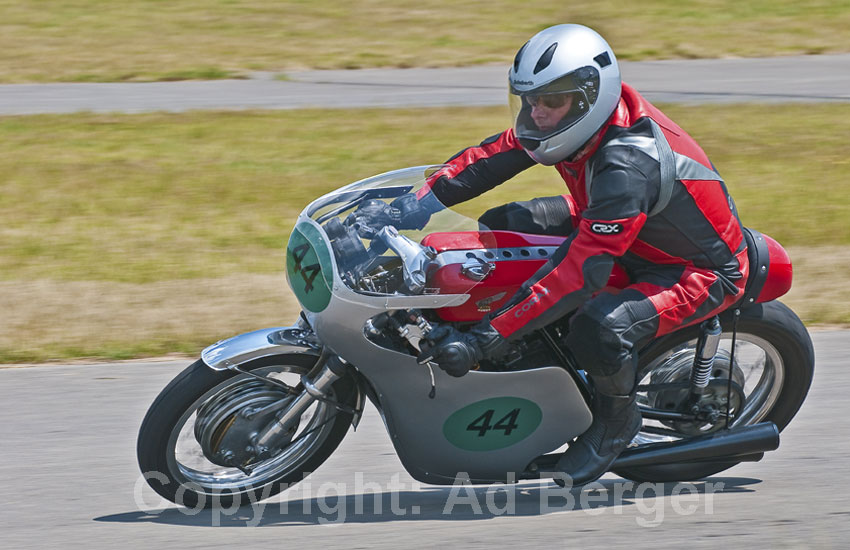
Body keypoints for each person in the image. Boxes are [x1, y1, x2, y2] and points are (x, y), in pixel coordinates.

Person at [352, 24, 749, 486]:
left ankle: (617, 423)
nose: (536, 113)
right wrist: (405, 207)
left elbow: (582, 271)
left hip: (692, 269)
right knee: (504, 223)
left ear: (587, 98)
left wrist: (488, 336)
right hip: (618, 225)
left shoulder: (627, 164)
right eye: (529, 100)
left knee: (600, 325)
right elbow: (488, 159)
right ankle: (536, 354)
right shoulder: (570, 121)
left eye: (550, 101)